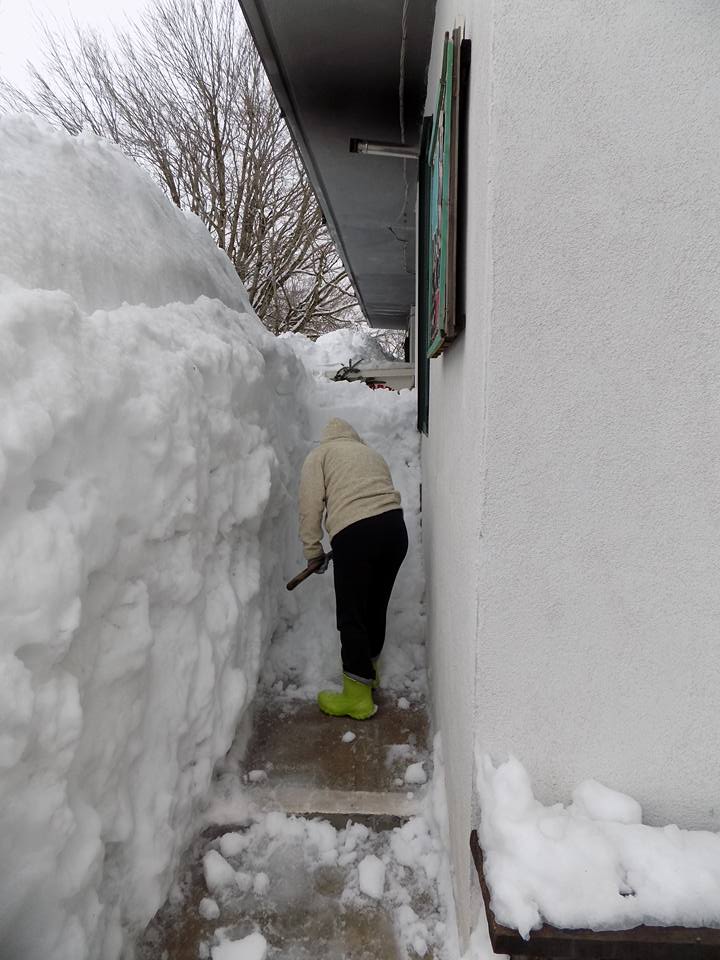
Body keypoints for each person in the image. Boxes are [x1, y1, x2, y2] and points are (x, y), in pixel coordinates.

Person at [298, 417, 408, 719]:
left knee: (352, 613)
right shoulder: (370, 453)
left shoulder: (320, 455)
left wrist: (312, 550)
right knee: (374, 606)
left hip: (356, 533)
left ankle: (357, 696)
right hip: (395, 530)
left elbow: (310, 505)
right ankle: (369, 671)